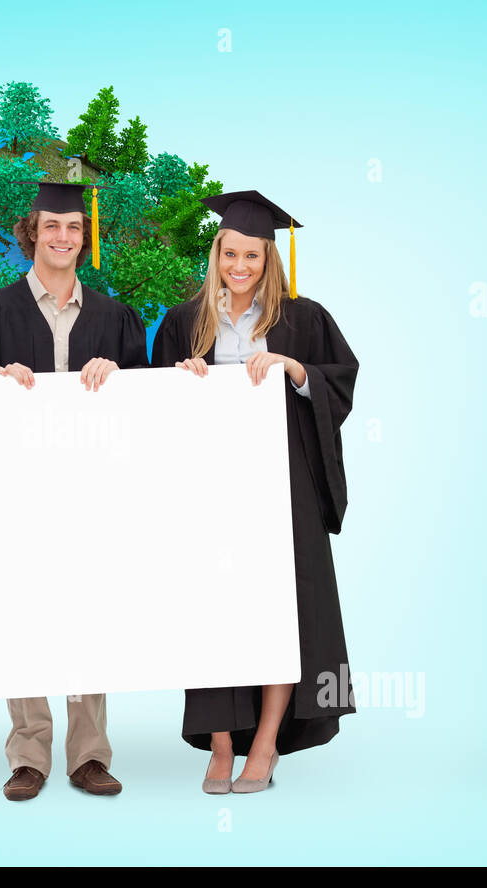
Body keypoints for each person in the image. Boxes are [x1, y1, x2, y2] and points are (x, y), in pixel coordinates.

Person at [150, 189, 359, 794]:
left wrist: (296, 371)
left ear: (270, 260)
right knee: (214, 614)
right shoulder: (185, 322)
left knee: (280, 610)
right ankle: (220, 746)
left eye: (253, 257)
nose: (240, 268)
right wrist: (179, 380)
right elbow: (157, 411)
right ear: (215, 254)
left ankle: (264, 745)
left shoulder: (304, 318)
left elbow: (339, 385)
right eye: (230, 254)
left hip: (283, 490)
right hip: (210, 495)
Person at [0, 180, 149, 801]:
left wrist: (119, 374)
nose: (63, 238)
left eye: (73, 228)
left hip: (95, 491)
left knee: (88, 610)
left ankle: (89, 755)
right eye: (51, 228)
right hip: (14, 491)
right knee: (23, 610)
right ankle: (28, 755)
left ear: (83, 237)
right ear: (31, 234)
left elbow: (147, 408)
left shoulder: (116, 317)